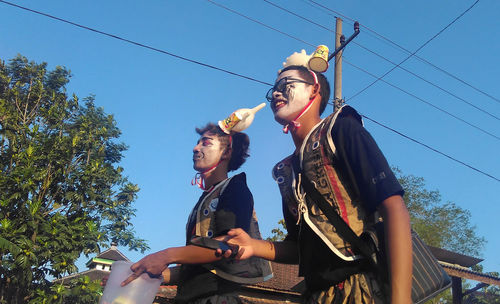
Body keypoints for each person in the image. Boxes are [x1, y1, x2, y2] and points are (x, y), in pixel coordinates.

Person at [221, 60, 413, 303]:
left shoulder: (342, 130)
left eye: (286, 84)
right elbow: (298, 248)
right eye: (274, 89)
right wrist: (253, 246)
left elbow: (394, 208)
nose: (277, 93)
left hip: (361, 289)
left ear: (314, 89)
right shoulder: (286, 170)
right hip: (316, 295)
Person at [122, 122, 271, 304]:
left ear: (226, 152)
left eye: (205, 143)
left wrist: (166, 255)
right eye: (197, 142)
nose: (195, 148)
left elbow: (228, 246)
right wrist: (145, 274)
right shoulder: (205, 200)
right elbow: (197, 267)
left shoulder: (235, 189)